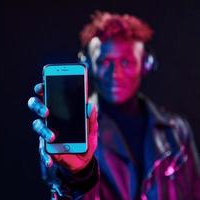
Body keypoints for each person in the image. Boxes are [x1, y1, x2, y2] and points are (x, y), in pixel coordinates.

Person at [28, 11, 200, 200]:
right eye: (104, 61)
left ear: (146, 64)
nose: (115, 73)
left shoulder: (178, 131)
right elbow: (64, 192)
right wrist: (77, 174)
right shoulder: (69, 129)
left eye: (126, 62)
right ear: (87, 64)